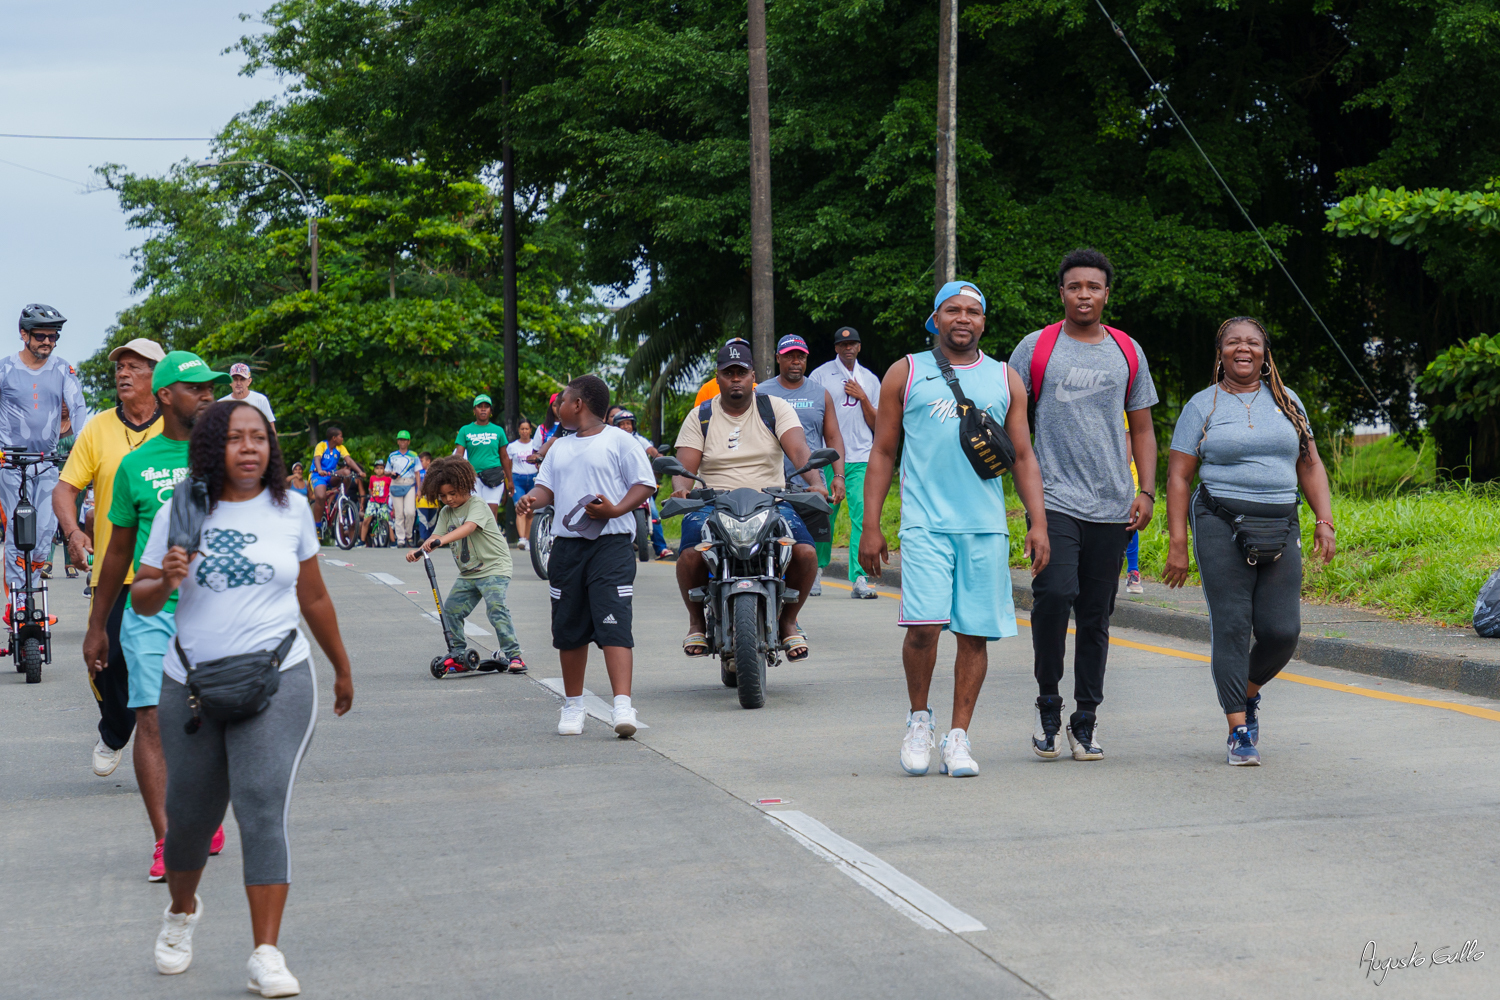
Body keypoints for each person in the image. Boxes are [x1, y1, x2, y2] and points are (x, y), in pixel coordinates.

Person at [133, 400, 353, 995]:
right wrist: (168, 577)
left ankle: (266, 952)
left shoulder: (292, 508)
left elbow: (313, 597)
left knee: (260, 805)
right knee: (190, 822)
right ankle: (181, 912)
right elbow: (143, 600)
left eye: (259, 438)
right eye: (235, 438)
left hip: (280, 675)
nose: (250, 448)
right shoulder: (183, 509)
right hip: (193, 685)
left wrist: (341, 667)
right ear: (212, 447)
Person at [859, 281, 1050, 778]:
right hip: (925, 523)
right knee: (923, 628)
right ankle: (919, 721)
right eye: (952, 310)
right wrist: (871, 526)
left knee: (974, 634)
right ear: (935, 319)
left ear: (983, 322)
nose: (962, 318)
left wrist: (1038, 522)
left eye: (972, 311)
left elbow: (1024, 455)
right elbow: (882, 452)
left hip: (985, 528)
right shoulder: (907, 371)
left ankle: (959, 737)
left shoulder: (1005, 377)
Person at [1008, 248, 1159, 762]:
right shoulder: (1036, 348)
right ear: (1062, 294)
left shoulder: (1127, 350)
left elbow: (1142, 426)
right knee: (1053, 596)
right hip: (1053, 500)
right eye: (1075, 287)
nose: (1084, 295)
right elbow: (1012, 421)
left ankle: (1085, 718)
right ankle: (1048, 704)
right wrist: (1022, 492)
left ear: (1106, 293)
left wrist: (1146, 491)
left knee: (1096, 615)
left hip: (1113, 502)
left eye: (1093, 287)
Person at [1164, 317, 1337, 766]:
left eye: (1253, 342)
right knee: (1234, 625)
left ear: (1265, 351)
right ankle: (1239, 730)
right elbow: (1180, 477)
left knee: (1282, 632)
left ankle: (1245, 691)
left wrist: (1325, 520)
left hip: (1281, 521)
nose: (1244, 349)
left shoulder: (1287, 402)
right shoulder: (1202, 406)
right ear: (1220, 351)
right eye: (1233, 342)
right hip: (1220, 520)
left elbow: (1310, 465)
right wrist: (1178, 543)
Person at [85, 351, 230, 880]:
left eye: (213, 388)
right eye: (198, 389)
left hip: (216, 614)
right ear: (167, 396)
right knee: (150, 716)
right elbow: (118, 553)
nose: (210, 396)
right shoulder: (135, 466)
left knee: (208, 721)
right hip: (149, 612)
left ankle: (203, 813)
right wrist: (99, 626)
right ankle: (167, 839)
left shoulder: (231, 458)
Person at [516, 375, 657, 736]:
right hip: (567, 549)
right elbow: (546, 487)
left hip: (611, 545)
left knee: (614, 624)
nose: (557, 406)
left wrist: (615, 510)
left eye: (561, 400)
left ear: (577, 404)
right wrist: (533, 499)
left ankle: (622, 706)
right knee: (569, 628)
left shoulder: (620, 440)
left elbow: (644, 484)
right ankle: (573, 705)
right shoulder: (559, 446)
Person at [55, 337, 165, 780]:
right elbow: (65, 489)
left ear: (158, 376)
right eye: (120, 366)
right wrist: (74, 531)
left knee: (170, 665)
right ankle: (116, 731)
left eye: (135, 366)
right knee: (107, 661)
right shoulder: (98, 428)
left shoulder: (179, 427)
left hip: (170, 571)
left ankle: (165, 746)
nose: (123, 373)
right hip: (115, 571)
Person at [672, 342, 819, 660]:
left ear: (753, 375)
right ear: (718, 377)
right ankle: (696, 621)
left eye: (741, 373)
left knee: (805, 554)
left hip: (771, 501)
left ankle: (789, 622)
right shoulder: (702, 415)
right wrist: (682, 488)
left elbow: (799, 452)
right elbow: (685, 468)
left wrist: (816, 482)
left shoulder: (775, 408)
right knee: (689, 556)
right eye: (728, 373)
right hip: (714, 502)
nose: (735, 379)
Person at [407, 456, 527, 673]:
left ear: (465, 485)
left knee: (495, 608)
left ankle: (514, 655)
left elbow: (470, 527)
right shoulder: (446, 512)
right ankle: (458, 655)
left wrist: (441, 540)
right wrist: (419, 551)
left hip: (494, 567)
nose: (449, 499)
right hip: (469, 573)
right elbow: (435, 536)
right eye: (443, 495)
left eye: (453, 493)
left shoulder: (477, 504)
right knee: (451, 610)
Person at [4, 304, 88, 592]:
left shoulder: (63, 368)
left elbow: (77, 406)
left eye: (54, 337)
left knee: (43, 534)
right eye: (41, 336)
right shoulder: (5, 369)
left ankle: (32, 588)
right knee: (17, 532)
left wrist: (80, 444)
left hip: (48, 462)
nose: (48, 342)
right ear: (23, 334)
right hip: (10, 464)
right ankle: (17, 600)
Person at [758, 334, 847, 594]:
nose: (795, 362)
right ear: (778, 359)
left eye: (801, 356)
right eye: (789, 356)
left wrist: (838, 476)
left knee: (804, 547)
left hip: (809, 485)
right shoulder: (761, 392)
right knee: (768, 547)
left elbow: (833, 437)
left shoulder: (820, 394)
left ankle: (796, 601)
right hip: (769, 485)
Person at [809, 325, 882, 598]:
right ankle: (815, 570)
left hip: (862, 457)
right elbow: (814, 418)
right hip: (829, 457)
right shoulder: (820, 375)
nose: (848, 348)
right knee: (824, 517)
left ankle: (859, 578)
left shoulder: (871, 380)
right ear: (836, 348)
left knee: (862, 517)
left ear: (859, 347)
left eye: (853, 344)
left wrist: (862, 396)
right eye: (843, 344)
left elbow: (878, 423)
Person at [610, 410, 673, 559]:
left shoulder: (638, 440)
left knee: (654, 514)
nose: (625, 427)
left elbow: (650, 449)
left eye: (628, 423)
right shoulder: (611, 441)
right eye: (622, 424)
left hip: (638, 485)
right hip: (619, 486)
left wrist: (658, 456)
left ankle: (661, 548)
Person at [453, 394, 512, 519]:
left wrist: (510, 481)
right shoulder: (465, 430)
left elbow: (504, 457)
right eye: (480, 407)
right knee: (475, 512)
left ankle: (491, 538)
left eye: (486, 407)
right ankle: (476, 538)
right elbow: (459, 456)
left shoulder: (498, 430)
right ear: (474, 410)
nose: (483, 409)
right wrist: (457, 478)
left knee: (491, 511)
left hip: (494, 476)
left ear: (490, 411)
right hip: (473, 477)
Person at [310, 426, 364, 528]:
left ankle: (341, 495)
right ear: (334, 438)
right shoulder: (321, 445)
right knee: (321, 497)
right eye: (341, 436)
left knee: (346, 472)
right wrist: (320, 470)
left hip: (332, 475)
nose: (342, 439)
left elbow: (349, 460)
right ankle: (317, 526)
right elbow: (317, 459)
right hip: (319, 475)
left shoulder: (341, 448)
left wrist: (360, 471)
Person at [693, 336, 755, 405]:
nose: (736, 379)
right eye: (732, 350)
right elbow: (699, 413)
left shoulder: (757, 389)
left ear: (753, 377)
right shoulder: (707, 389)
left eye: (743, 351)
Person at [506, 419, 539, 549]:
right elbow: (507, 465)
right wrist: (509, 482)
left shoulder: (535, 446)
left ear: (531, 430)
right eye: (522, 429)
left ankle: (529, 539)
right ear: (518, 430)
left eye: (527, 429)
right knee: (521, 509)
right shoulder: (512, 446)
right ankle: (522, 538)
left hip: (533, 478)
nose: (524, 431)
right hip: (517, 478)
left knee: (531, 510)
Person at [385, 430, 420, 546]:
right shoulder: (392, 455)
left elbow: (417, 473)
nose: (402, 442)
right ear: (397, 441)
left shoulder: (414, 455)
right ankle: (400, 538)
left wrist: (419, 489)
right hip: (396, 484)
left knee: (410, 512)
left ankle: (409, 534)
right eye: (400, 440)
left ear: (408, 442)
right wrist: (391, 473)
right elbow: (386, 471)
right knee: (399, 513)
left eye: (405, 440)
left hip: (409, 484)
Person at [221, 362, 276, 432]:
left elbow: (271, 430)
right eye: (235, 379)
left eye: (242, 379)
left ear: (249, 381)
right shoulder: (221, 404)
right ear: (230, 381)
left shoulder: (261, 400)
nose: (238, 383)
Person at [361, 459, 393, 546]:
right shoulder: (372, 478)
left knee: (386, 520)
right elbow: (370, 488)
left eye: (381, 468)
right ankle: (362, 541)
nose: (379, 470)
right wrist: (371, 494)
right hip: (373, 501)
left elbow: (391, 490)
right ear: (374, 470)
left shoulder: (388, 479)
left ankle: (393, 541)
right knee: (366, 520)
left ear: (384, 469)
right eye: (377, 468)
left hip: (383, 502)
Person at [414, 451, 437, 543]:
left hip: (433, 500)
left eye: (421, 461)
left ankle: (432, 539)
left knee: (432, 521)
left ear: (428, 461)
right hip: (421, 500)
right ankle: (423, 538)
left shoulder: (434, 472)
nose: (419, 463)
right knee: (423, 519)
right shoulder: (418, 472)